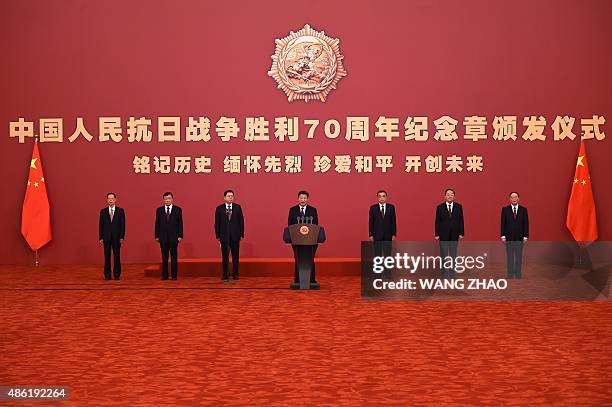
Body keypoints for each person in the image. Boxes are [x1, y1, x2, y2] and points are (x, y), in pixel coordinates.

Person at [288, 190, 319, 284]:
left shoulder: (313, 210)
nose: (303, 200)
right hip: (297, 240)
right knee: (298, 258)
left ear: (307, 199)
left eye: (305, 198)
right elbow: (289, 224)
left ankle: (311, 280)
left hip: (310, 240)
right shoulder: (292, 210)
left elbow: (316, 225)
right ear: (298, 198)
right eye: (301, 198)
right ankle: (297, 280)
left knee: (310, 258)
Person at [214, 190, 244, 281]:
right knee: (225, 256)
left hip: (235, 236)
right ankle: (225, 274)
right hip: (224, 236)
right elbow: (217, 223)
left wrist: (241, 234)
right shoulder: (219, 208)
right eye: (228, 196)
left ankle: (235, 274)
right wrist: (218, 235)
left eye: (232, 196)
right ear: (224, 198)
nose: (230, 197)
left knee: (235, 256)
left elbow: (241, 222)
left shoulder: (238, 207)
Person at [434, 188, 464, 279]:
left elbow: (461, 221)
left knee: (453, 254)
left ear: (454, 196)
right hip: (443, 235)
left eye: (451, 194)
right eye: (448, 194)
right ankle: (443, 273)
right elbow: (437, 221)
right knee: (443, 254)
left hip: (455, 234)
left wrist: (461, 233)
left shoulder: (459, 207)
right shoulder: (440, 207)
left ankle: (452, 274)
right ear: (445, 196)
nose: (450, 196)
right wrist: (437, 234)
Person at [155, 192, 183, 280]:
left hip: (174, 237)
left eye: (169, 198)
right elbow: (157, 224)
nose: (167, 200)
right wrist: (156, 236)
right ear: (163, 200)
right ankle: (165, 275)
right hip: (162, 237)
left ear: (172, 199)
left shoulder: (178, 209)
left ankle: (174, 276)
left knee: (174, 257)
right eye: (166, 198)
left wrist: (180, 235)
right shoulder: (159, 210)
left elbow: (180, 224)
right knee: (164, 257)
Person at [501, 192, 529, 279]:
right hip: (508, 237)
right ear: (509, 199)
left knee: (518, 256)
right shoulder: (505, 209)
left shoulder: (523, 210)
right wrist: (503, 236)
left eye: (515, 197)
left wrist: (525, 236)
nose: (513, 199)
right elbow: (503, 224)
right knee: (509, 256)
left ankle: (518, 274)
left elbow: (526, 223)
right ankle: (510, 274)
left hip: (520, 237)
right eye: (512, 197)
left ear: (518, 199)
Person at [98, 192, 125, 280]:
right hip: (106, 238)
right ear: (107, 200)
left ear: (115, 200)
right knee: (107, 257)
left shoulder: (120, 211)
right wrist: (101, 237)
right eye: (109, 199)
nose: (110, 200)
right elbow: (101, 225)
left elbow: (123, 225)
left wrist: (122, 237)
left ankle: (117, 274)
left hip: (117, 238)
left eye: (112, 198)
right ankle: (107, 275)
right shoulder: (103, 211)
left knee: (117, 256)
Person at [368, 190, 397, 258]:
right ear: (377, 197)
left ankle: (387, 268)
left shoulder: (391, 207)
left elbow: (393, 221)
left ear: (386, 197)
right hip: (377, 235)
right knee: (377, 254)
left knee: (388, 254)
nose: (382, 198)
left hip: (388, 235)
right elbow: (371, 222)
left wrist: (394, 233)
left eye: (383, 196)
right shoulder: (373, 208)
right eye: (380, 196)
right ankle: (378, 268)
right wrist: (371, 234)